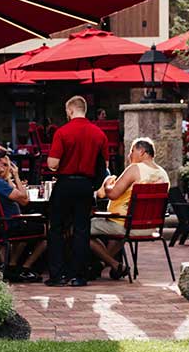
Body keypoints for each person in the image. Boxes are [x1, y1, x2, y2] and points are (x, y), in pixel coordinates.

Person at [46, 95, 109, 287]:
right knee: (82, 230)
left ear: (70, 110)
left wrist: (56, 164)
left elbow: (53, 164)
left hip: (65, 183)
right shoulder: (99, 134)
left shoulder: (62, 132)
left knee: (56, 228)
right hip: (86, 185)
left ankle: (57, 275)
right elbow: (104, 166)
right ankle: (79, 275)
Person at [89, 138, 169, 277]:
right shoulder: (163, 174)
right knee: (117, 237)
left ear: (142, 152)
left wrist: (107, 183)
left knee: (80, 228)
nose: (129, 155)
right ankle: (103, 265)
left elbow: (113, 193)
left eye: (132, 151)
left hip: (128, 225)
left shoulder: (135, 169)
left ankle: (113, 264)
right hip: (151, 228)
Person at [0, 148, 46, 282]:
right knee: (47, 230)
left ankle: (12, 266)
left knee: (24, 228)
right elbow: (24, 200)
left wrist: (7, 177)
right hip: (7, 226)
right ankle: (24, 268)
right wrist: (16, 175)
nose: (2, 164)